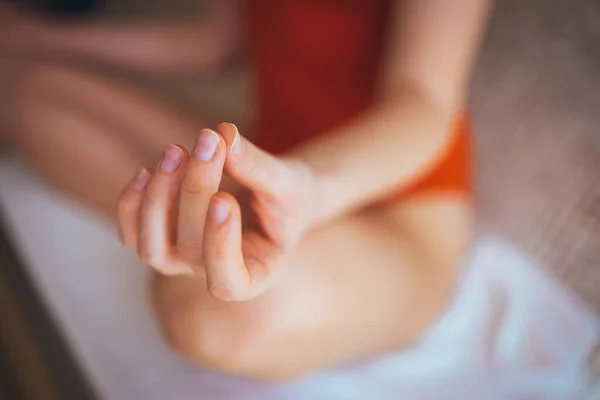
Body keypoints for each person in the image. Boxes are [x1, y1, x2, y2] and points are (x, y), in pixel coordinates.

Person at [0, 0, 491, 380]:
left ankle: (218, 232)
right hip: (274, 169)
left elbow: (424, 104)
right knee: (21, 89)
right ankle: (216, 228)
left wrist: (312, 187)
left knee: (208, 314)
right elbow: (214, 46)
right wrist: (43, 38)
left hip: (396, 208)